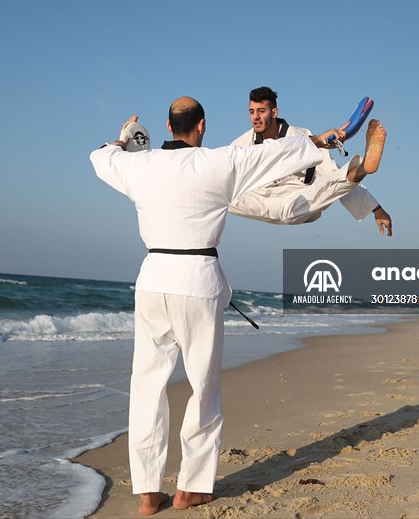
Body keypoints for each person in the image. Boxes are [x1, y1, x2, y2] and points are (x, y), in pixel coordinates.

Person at [90, 96, 370, 516]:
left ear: (167, 127)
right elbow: (276, 154)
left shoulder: (139, 165)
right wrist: (320, 140)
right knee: (203, 386)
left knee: (147, 386)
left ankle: (148, 493)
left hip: (152, 280)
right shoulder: (220, 162)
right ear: (200, 126)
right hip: (197, 280)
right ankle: (191, 489)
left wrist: (124, 139)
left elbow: (100, 157)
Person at [228, 86, 392, 235]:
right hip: (261, 197)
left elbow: (332, 172)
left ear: (274, 112)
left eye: (261, 111)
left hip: (301, 198)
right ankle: (362, 168)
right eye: (251, 112)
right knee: (222, 193)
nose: (255, 117)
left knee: (328, 184)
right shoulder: (242, 144)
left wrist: (375, 208)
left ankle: (363, 168)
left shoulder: (302, 137)